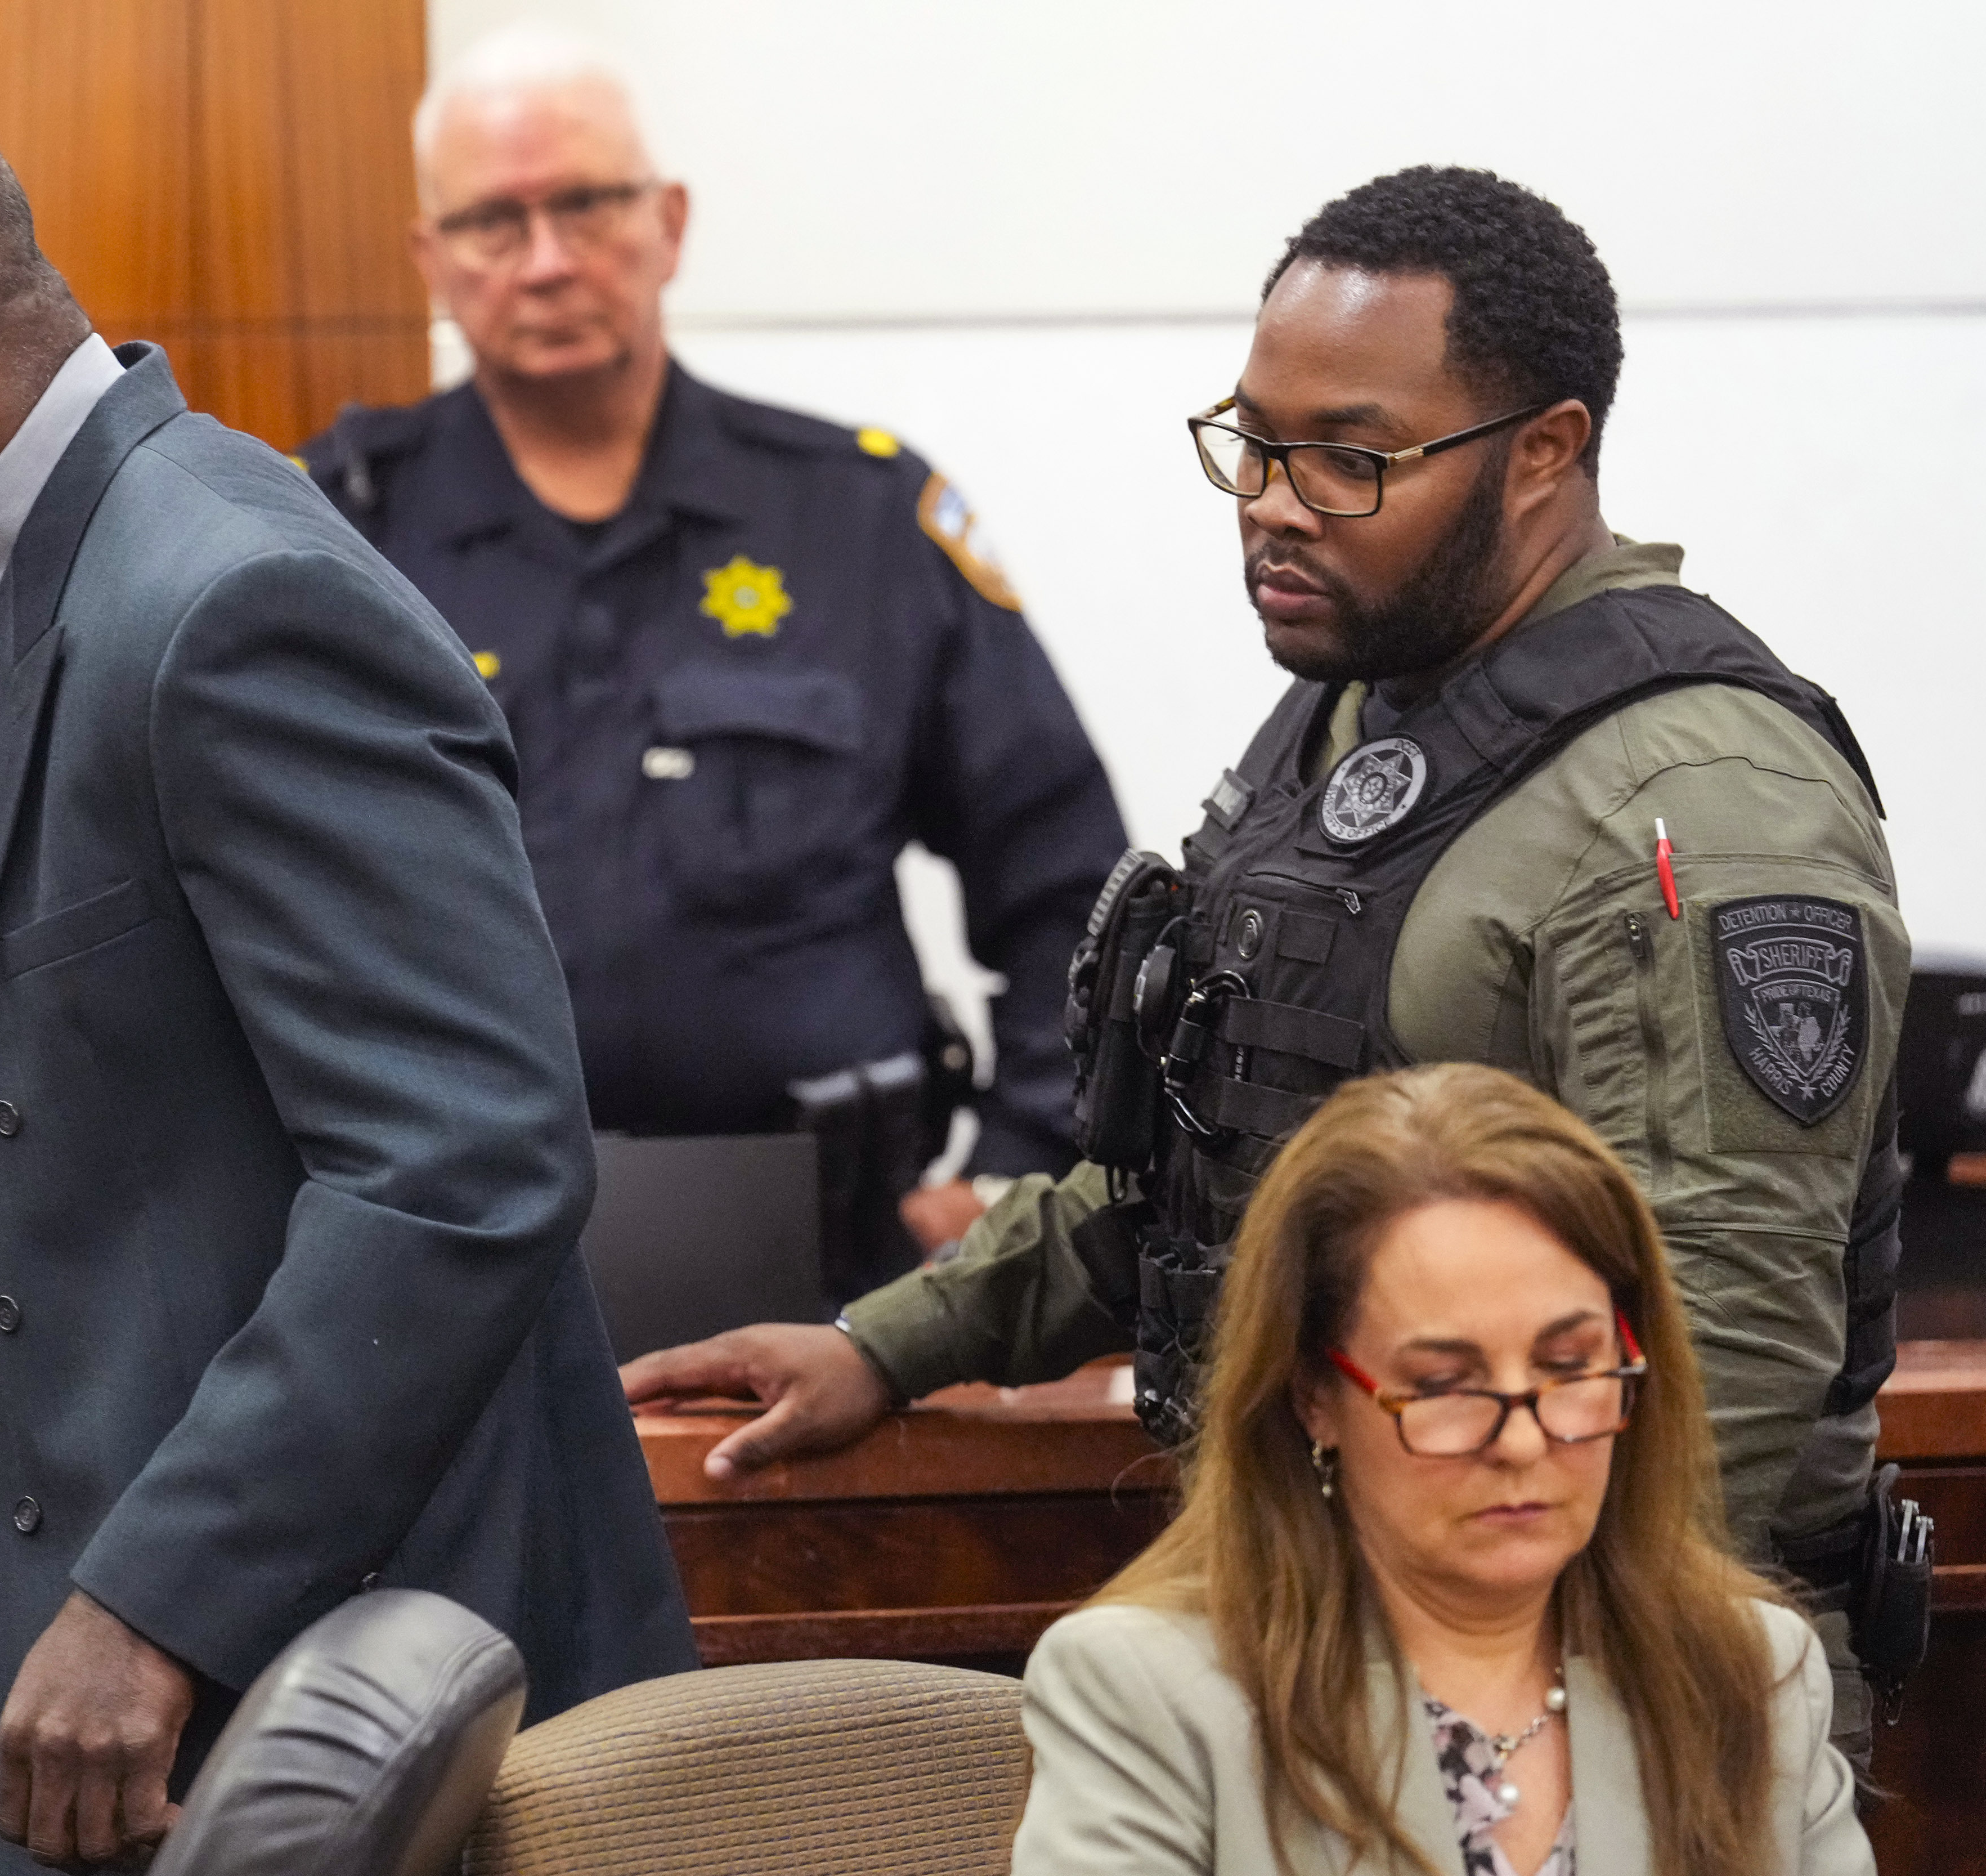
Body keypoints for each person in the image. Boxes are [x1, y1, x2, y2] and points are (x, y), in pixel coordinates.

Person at [625, 167, 1909, 1766]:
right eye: (1256, 440)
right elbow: (1198, 1161)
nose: (1276, 501)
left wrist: (1476, 1724)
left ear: (1547, 453)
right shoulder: (1356, 711)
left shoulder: (1702, 805)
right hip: (1318, 1644)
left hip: (1595, 1707)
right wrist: (888, 1341)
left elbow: (1726, 1351)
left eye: (1350, 458)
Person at [0, 93, 694, 1872]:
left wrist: (156, 1599)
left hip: (268, 1667)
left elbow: (464, 1158)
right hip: (37, 1603)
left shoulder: (230, 594)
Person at [299, 28, 1127, 1296]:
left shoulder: (857, 519)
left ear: (668, 221)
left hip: (834, 1252)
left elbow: (1065, 876)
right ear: (430, 257)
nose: (547, 259)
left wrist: (1021, 1169)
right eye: (491, 221)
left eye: (586, 202)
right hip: (444, 1245)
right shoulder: (338, 534)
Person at [1017, 1063, 1869, 1876]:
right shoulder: (1146, 1693)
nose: (1524, 1442)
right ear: (1314, 1392)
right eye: (1445, 1384)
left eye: (1570, 1368)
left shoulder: (1750, 1673)